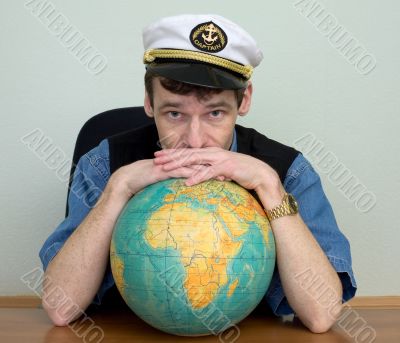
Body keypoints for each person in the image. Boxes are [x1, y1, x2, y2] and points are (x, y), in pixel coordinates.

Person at [39, 14, 356, 333]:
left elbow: (321, 314)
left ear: (244, 100)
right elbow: (60, 307)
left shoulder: (288, 171)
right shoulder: (104, 163)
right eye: (174, 113)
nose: (194, 140)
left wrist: (270, 188)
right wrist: (117, 189)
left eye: (215, 113)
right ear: (149, 102)